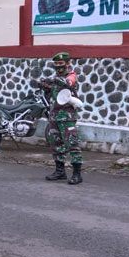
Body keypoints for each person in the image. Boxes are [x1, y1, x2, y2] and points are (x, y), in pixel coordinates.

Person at [38, 52, 83, 185]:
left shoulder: (72, 75)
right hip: (55, 116)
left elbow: (69, 83)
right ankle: (60, 171)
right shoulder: (56, 78)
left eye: (61, 64)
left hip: (67, 117)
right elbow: (53, 92)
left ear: (67, 64)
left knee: (72, 144)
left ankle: (77, 174)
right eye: (56, 64)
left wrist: (54, 80)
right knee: (56, 144)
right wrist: (45, 86)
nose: (58, 66)